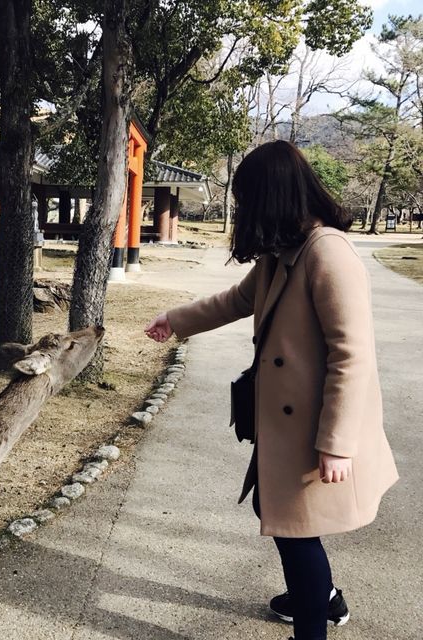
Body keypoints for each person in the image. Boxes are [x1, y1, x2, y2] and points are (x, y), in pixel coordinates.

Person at [144, 140, 399, 640]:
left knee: (294, 528)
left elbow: (353, 356)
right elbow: (236, 299)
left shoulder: (328, 253)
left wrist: (337, 444)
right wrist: (175, 320)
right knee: (276, 511)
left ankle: (314, 622)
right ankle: (320, 596)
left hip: (315, 430)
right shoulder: (283, 251)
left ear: (271, 196)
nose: (243, 212)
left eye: (247, 200)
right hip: (286, 424)